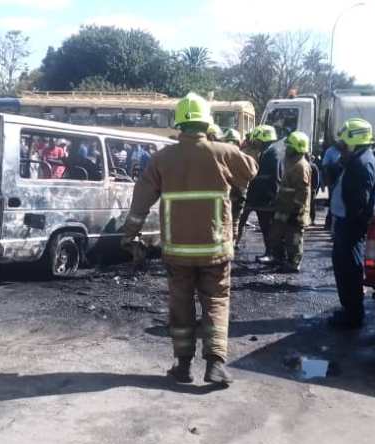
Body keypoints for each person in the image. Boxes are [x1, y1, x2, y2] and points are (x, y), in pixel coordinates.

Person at [120, 93, 257, 386]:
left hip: (177, 252)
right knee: (217, 302)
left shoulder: (161, 159)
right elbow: (251, 170)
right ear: (207, 122)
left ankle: (182, 366)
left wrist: (130, 234)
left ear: (179, 122)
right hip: (215, 250)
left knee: (180, 304)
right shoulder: (223, 152)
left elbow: (140, 202)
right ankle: (216, 364)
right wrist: (232, 148)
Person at [329, 118, 375, 329]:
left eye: (344, 144)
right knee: (344, 267)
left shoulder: (361, 163)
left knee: (349, 269)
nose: (341, 147)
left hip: (350, 227)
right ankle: (349, 309)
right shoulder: (358, 159)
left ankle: (352, 314)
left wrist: (348, 225)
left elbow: (358, 203)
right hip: (347, 225)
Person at [268, 131, 313, 273]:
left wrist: (297, 210)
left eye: (289, 146)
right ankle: (280, 258)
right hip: (284, 207)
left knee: (294, 238)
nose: (286, 149)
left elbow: (303, 192)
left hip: (294, 210)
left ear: (297, 148)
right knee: (276, 234)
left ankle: (293, 263)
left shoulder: (301, 166)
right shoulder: (291, 161)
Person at [240, 125, 285, 263]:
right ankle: (272, 253)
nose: (255, 143)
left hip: (268, 200)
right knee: (268, 228)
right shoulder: (272, 151)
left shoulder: (271, 154)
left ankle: (273, 254)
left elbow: (272, 178)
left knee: (269, 228)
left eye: (256, 140)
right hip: (266, 199)